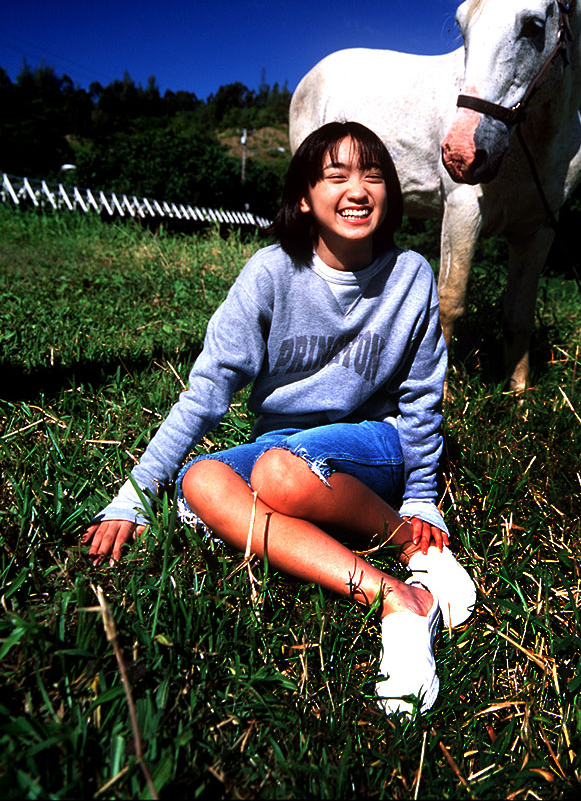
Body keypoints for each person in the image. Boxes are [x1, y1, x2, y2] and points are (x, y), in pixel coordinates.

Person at [82, 120, 475, 717]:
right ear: (303, 198)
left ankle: (406, 542)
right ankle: (394, 596)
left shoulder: (409, 276)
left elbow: (422, 397)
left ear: (391, 194)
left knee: (279, 476)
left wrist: (421, 500)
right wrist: (135, 494)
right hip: (282, 447)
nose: (357, 189)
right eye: (335, 175)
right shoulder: (270, 273)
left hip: (374, 443)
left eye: (373, 175)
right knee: (201, 480)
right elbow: (208, 391)